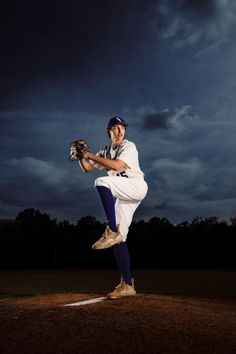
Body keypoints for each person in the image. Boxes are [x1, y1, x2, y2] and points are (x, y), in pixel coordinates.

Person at [72, 116, 148, 299]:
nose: (120, 131)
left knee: (101, 182)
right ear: (109, 132)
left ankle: (110, 229)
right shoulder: (106, 150)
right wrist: (81, 157)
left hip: (136, 186)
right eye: (116, 127)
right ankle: (127, 284)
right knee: (121, 238)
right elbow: (87, 168)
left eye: (122, 127)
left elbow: (116, 165)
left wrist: (88, 154)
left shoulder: (129, 146)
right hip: (123, 193)